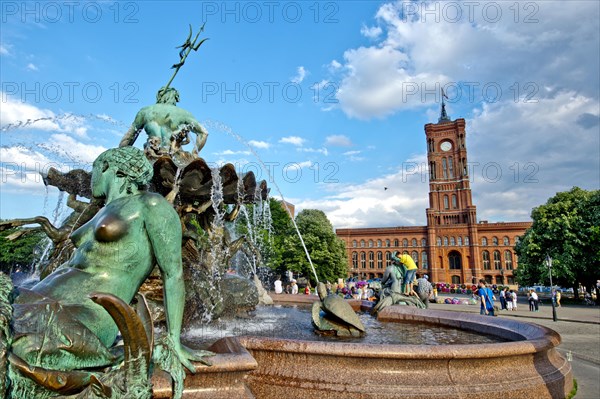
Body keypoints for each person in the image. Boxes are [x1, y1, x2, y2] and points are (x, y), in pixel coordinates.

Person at [10, 147, 210, 379]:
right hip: (38, 300)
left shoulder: (151, 205)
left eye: (94, 170)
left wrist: (174, 340)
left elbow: (173, 274)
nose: (92, 177)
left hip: (82, 316)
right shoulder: (104, 210)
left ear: (107, 168)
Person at [119, 86, 208, 158]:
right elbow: (204, 133)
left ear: (160, 96)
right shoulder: (184, 113)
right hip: (175, 157)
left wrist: (120, 154)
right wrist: (195, 153)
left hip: (149, 154)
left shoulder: (145, 111)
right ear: (174, 97)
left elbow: (129, 137)